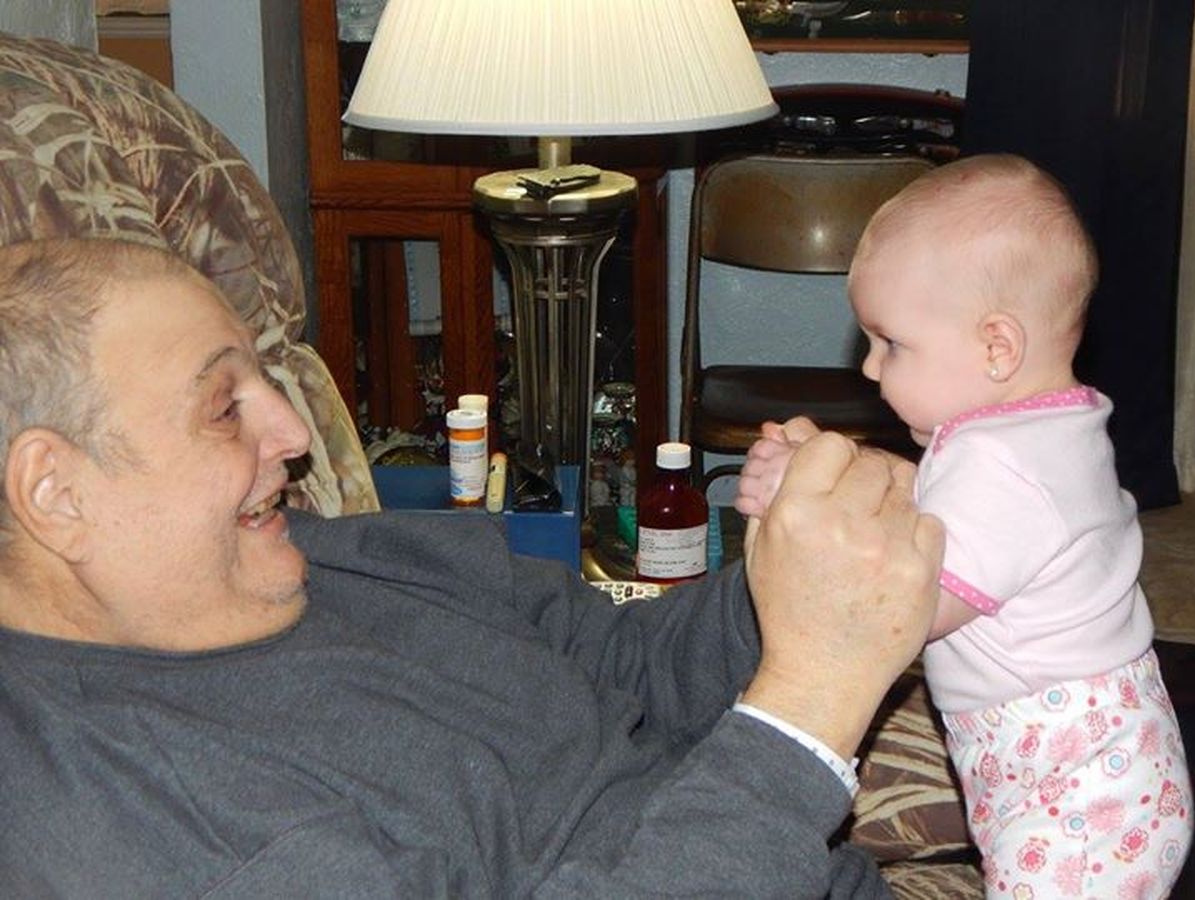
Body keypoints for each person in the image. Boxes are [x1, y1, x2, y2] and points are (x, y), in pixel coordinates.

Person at [0, 237, 944, 897]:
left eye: (265, 382)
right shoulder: (142, 824)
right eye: (222, 407)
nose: (290, 433)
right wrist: (810, 700)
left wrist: (803, 571)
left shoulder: (336, 556)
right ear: (56, 494)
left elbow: (633, 666)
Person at [737, 154, 1194, 898]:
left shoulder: (1003, 465)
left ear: (997, 348)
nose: (870, 369)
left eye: (891, 344)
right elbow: (935, 512)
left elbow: (907, 602)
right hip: (1092, 765)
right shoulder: (1039, 430)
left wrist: (803, 507)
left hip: (1076, 792)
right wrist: (825, 475)